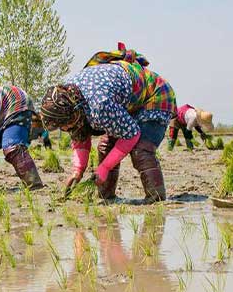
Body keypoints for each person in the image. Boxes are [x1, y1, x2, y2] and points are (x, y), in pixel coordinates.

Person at [39, 46, 176, 202]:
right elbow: (80, 136)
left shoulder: (99, 105)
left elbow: (131, 135)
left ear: (74, 112)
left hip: (155, 95)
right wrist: (77, 171)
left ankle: (156, 199)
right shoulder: (70, 97)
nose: (65, 129)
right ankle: (106, 196)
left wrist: (104, 168)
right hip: (126, 101)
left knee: (141, 149)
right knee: (105, 147)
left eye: (65, 125)